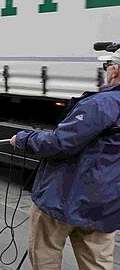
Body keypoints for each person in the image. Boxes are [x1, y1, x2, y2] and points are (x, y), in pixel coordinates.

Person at [9, 50, 120, 269]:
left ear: (115, 69)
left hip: (64, 194)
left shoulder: (103, 103)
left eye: (108, 65)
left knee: (45, 253)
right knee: (97, 262)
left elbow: (60, 143)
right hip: (106, 203)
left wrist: (23, 139)